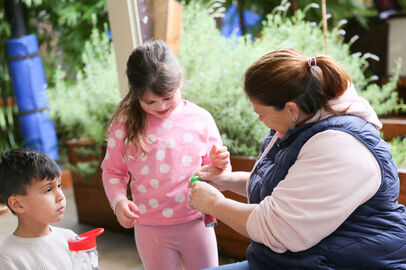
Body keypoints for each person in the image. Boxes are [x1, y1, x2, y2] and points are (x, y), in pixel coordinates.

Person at [188, 48, 406, 269]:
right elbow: (287, 190)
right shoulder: (302, 123)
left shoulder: (341, 148)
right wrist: (227, 180)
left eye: (262, 113)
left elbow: (277, 228)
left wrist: (214, 204)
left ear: (291, 109)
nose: (260, 120)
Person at [101, 40, 229, 270]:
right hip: (150, 228)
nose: (160, 106)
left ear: (180, 80)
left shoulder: (200, 119)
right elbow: (112, 170)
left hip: (196, 221)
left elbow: (218, 178)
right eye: (150, 102)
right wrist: (119, 201)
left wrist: (220, 167)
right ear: (136, 93)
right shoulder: (125, 126)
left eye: (168, 97)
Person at [0, 147, 77, 269]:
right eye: (48, 189)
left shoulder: (70, 238)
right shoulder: (8, 258)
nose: (61, 196)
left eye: (59, 185)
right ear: (17, 204)